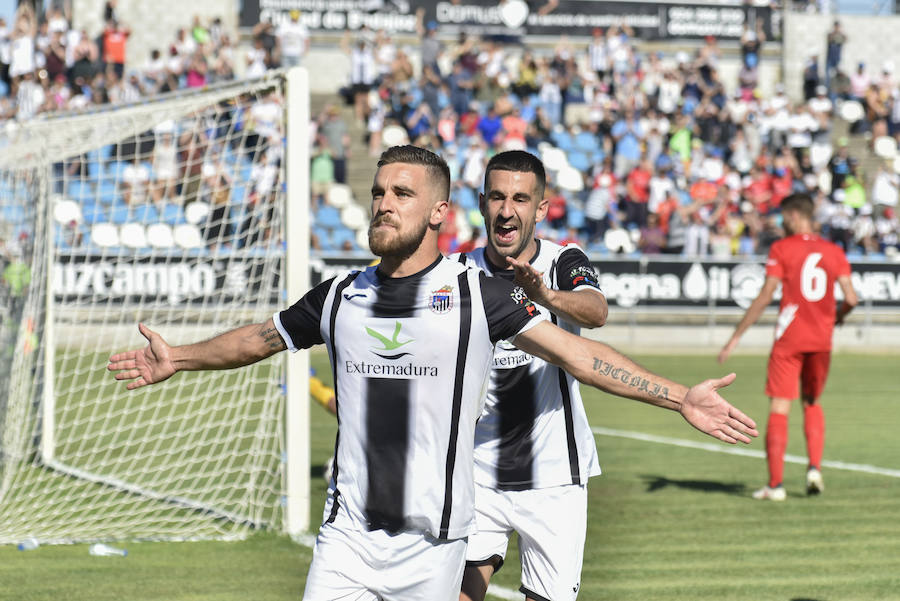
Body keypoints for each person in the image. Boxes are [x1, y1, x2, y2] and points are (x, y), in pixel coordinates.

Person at [109, 145, 757, 601]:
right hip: (382, 521)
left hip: (516, 495)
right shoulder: (345, 295)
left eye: (402, 192)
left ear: (441, 210)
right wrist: (182, 355)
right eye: (379, 192)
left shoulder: (493, 288)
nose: (384, 203)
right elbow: (264, 336)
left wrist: (678, 397)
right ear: (477, 206)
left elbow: (582, 345)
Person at [451, 150, 610, 601]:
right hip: (476, 471)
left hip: (555, 478)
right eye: (497, 197)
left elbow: (596, 311)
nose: (507, 210)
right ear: (482, 203)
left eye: (521, 199)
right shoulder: (457, 274)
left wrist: (546, 294)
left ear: (541, 209)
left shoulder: (564, 261)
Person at [718, 192, 858, 501]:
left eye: (784, 217)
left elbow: (766, 295)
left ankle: (776, 485)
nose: (782, 223)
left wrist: (736, 336)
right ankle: (814, 469)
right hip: (821, 339)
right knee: (812, 402)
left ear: (794, 216)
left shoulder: (782, 248)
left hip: (790, 339)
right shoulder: (834, 251)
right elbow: (851, 299)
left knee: (780, 407)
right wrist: (837, 318)